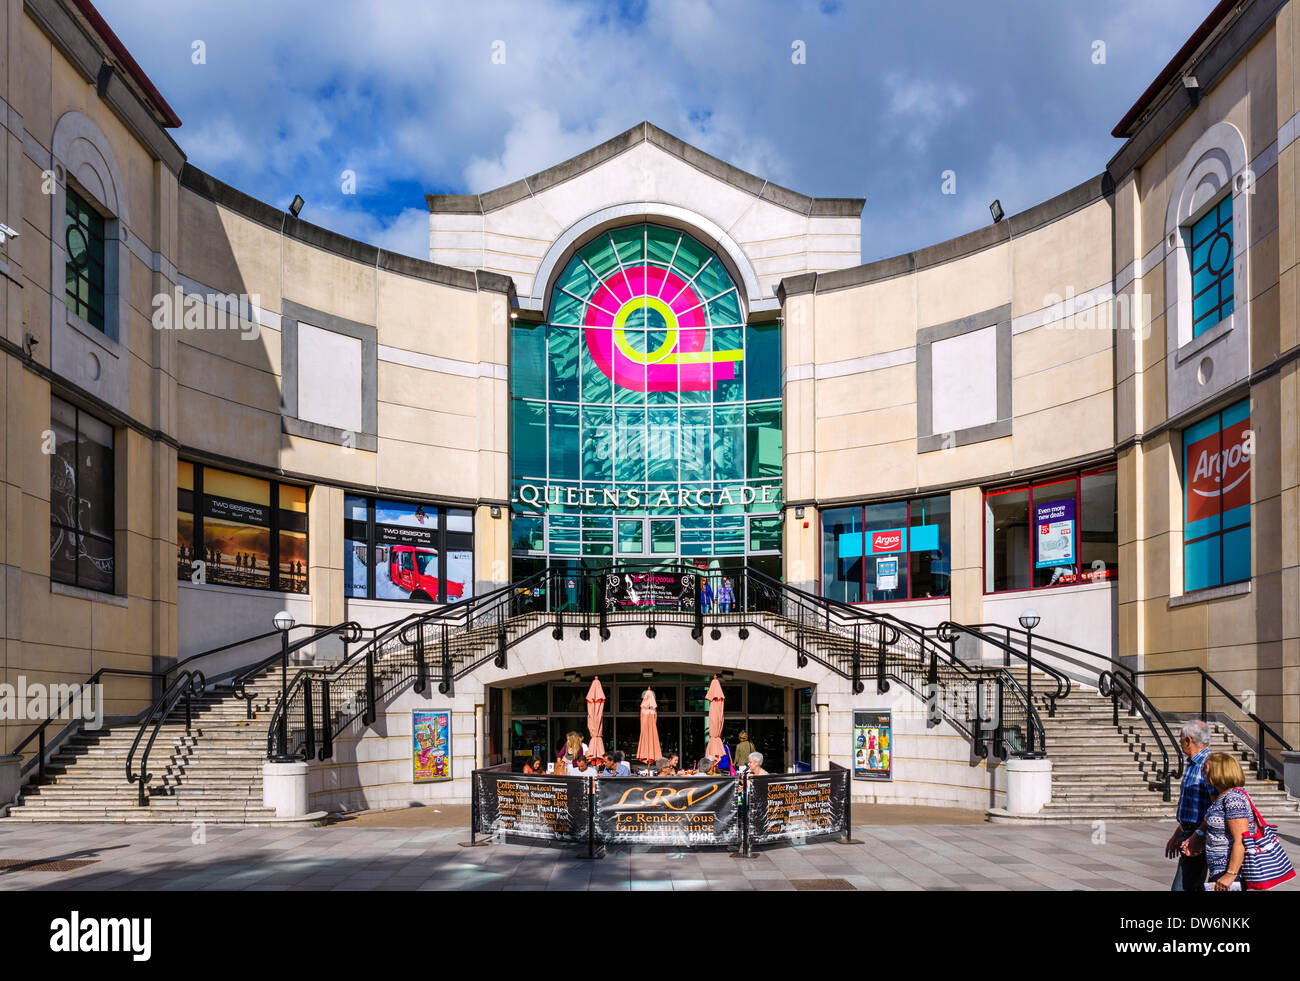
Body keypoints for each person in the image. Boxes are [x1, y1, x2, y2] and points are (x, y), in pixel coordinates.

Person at [1181, 753, 1253, 891]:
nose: (1202, 770)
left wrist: (1230, 874)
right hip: (1219, 869)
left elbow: (1242, 839)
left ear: (1219, 770)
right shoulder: (1222, 796)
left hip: (1228, 871)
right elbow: (1210, 821)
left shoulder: (1233, 799)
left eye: (1206, 767)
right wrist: (1197, 835)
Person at [1166, 719, 1214, 891]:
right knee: (1192, 885)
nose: (1179, 742)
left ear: (1189, 740)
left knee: (1182, 888)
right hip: (1189, 832)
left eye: (1180, 738)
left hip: (1200, 835)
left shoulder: (1208, 765)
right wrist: (1177, 834)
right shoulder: (1192, 763)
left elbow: (1216, 807)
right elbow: (1193, 807)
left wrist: (1198, 835)